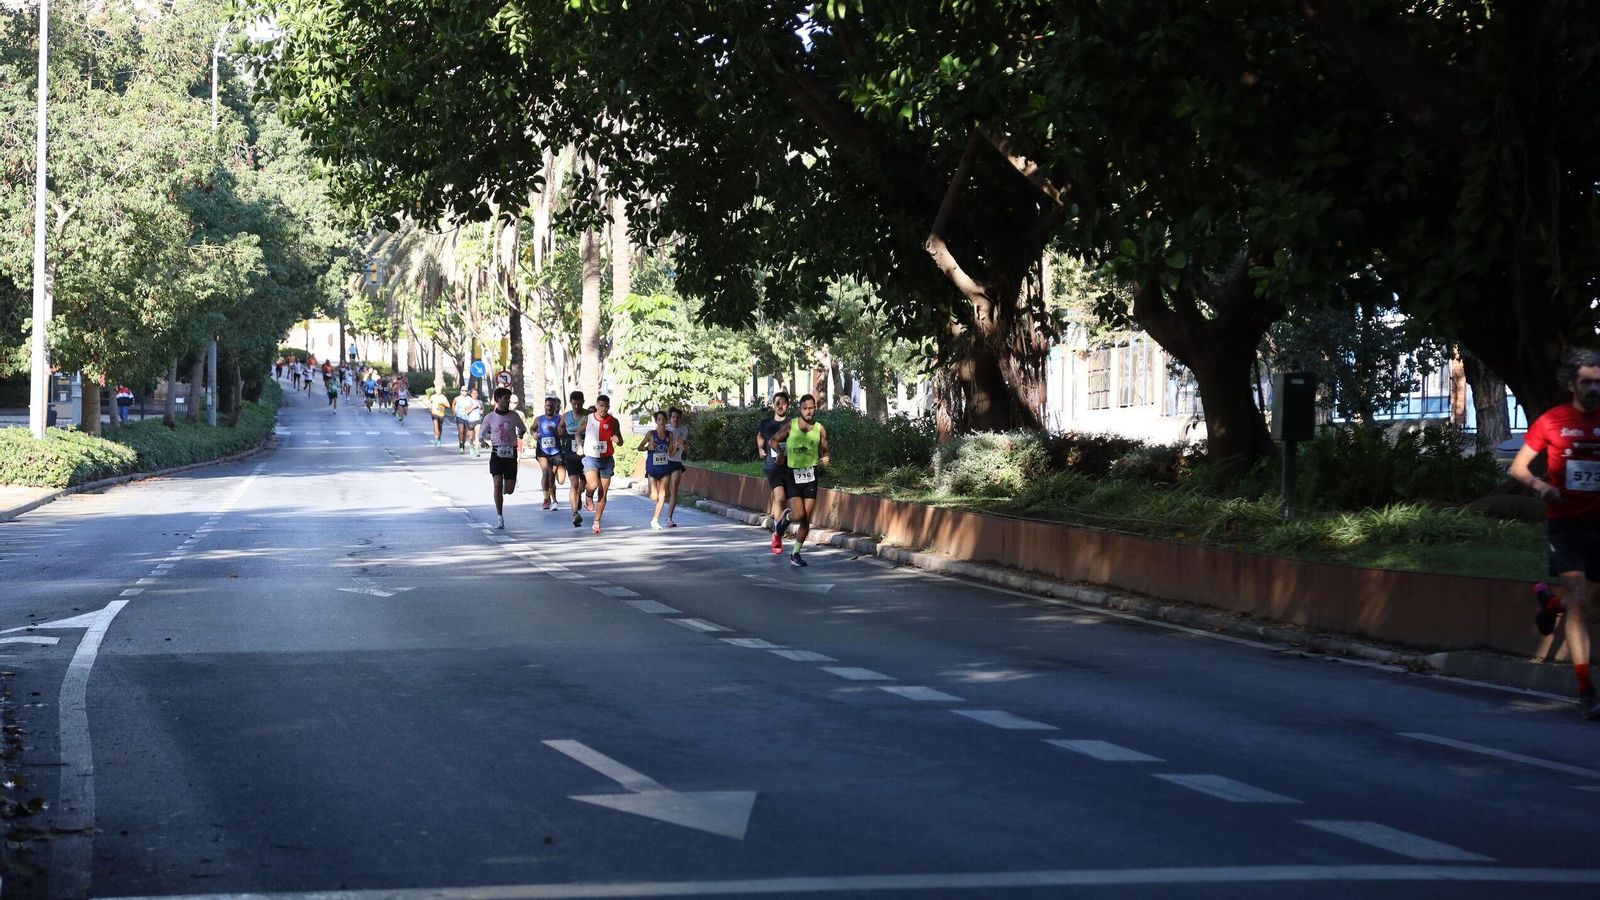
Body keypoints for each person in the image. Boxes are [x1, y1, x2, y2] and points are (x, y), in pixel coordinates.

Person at [1511, 347, 1600, 719]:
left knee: (1588, 601)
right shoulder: (1552, 421)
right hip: (1565, 524)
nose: (1594, 389)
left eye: (1598, 382)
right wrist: (1540, 486)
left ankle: (1548, 605)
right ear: (1571, 385)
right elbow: (1517, 468)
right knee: (1578, 598)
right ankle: (1586, 690)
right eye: (1587, 382)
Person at [769, 394, 830, 567]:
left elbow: (825, 449)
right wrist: (780, 452)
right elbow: (773, 440)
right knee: (798, 515)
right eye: (805, 408)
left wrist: (826, 457)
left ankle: (795, 554)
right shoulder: (791, 425)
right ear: (800, 409)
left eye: (811, 408)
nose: (808, 412)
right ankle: (785, 519)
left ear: (815, 409)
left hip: (811, 476)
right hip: (793, 475)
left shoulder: (820, 429)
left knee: (805, 519)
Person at [477, 387, 528, 529]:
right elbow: (481, 434)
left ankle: (506, 488)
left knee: (509, 489)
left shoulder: (514, 416)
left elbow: (523, 428)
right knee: (497, 484)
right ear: (497, 400)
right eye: (505, 399)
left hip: (511, 454)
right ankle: (500, 517)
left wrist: (521, 433)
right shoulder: (490, 417)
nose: (508, 402)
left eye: (509, 399)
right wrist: (482, 441)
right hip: (496, 454)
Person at [578, 394, 623, 534]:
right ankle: (588, 495)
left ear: (609, 407)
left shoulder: (613, 421)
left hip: (606, 459)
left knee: (603, 492)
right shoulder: (587, 419)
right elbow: (578, 433)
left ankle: (597, 521)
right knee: (592, 485)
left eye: (606, 406)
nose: (603, 409)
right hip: (591, 458)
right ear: (597, 406)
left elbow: (620, 441)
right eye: (601, 406)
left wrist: (618, 440)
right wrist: (579, 446)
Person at [757, 392, 792, 554]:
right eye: (777, 403)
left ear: (788, 406)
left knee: (783, 502)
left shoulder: (792, 423)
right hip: (772, 466)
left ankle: (778, 531)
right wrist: (760, 448)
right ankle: (777, 535)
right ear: (773, 405)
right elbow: (760, 436)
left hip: (790, 466)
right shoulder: (766, 423)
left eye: (783, 403)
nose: (780, 406)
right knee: (780, 497)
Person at [638, 411, 680, 530]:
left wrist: (676, 447)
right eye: (659, 419)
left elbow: (671, 454)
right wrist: (648, 447)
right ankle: (652, 491)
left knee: (662, 495)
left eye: (663, 419)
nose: (661, 422)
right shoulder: (651, 434)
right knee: (653, 496)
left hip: (665, 467)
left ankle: (655, 520)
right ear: (656, 421)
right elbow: (639, 447)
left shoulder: (669, 435)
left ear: (666, 421)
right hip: (652, 467)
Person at [562, 390, 594, 527]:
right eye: (574, 404)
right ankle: (575, 513)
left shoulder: (590, 416)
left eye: (579, 404)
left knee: (585, 484)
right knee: (574, 483)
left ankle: (581, 495)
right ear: (570, 402)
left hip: (587, 454)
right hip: (571, 453)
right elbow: (560, 430)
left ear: (583, 402)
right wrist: (560, 431)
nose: (576, 406)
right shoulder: (565, 416)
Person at [532, 396, 566, 510]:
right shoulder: (539, 419)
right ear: (544, 406)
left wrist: (554, 430)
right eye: (547, 405)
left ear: (555, 407)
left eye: (551, 406)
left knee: (552, 476)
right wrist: (534, 434)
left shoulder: (559, 419)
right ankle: (547, 498)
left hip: (556, 451)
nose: (549, 408)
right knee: (546, 473)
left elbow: (563, 435)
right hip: (542, 450)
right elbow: (532, 429)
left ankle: (554, 499)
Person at [665, 406, 689, 527]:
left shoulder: (684, 431)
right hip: (664, 462)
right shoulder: (665, 428)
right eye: (673, 417)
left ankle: (669, 518)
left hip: (676, 462)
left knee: (674, 489)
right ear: (670, 418)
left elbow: (686, 448)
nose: (675, 419)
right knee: (664, 492)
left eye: (678, 417)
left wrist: (683, 443)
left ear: (680, 419)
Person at [454, 388, 483, 456]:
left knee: (477, 436)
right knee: (471, 437)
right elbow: (466, 412)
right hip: (470, 421)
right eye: (473, 393)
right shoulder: (468, 401)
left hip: (478, 420)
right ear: (471, 394)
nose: (475, 394)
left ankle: (477, 450)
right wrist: (473, 407)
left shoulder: (480, 402)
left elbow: (482, 409)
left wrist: (481, 412)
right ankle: (471, 447)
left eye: (476, 393)